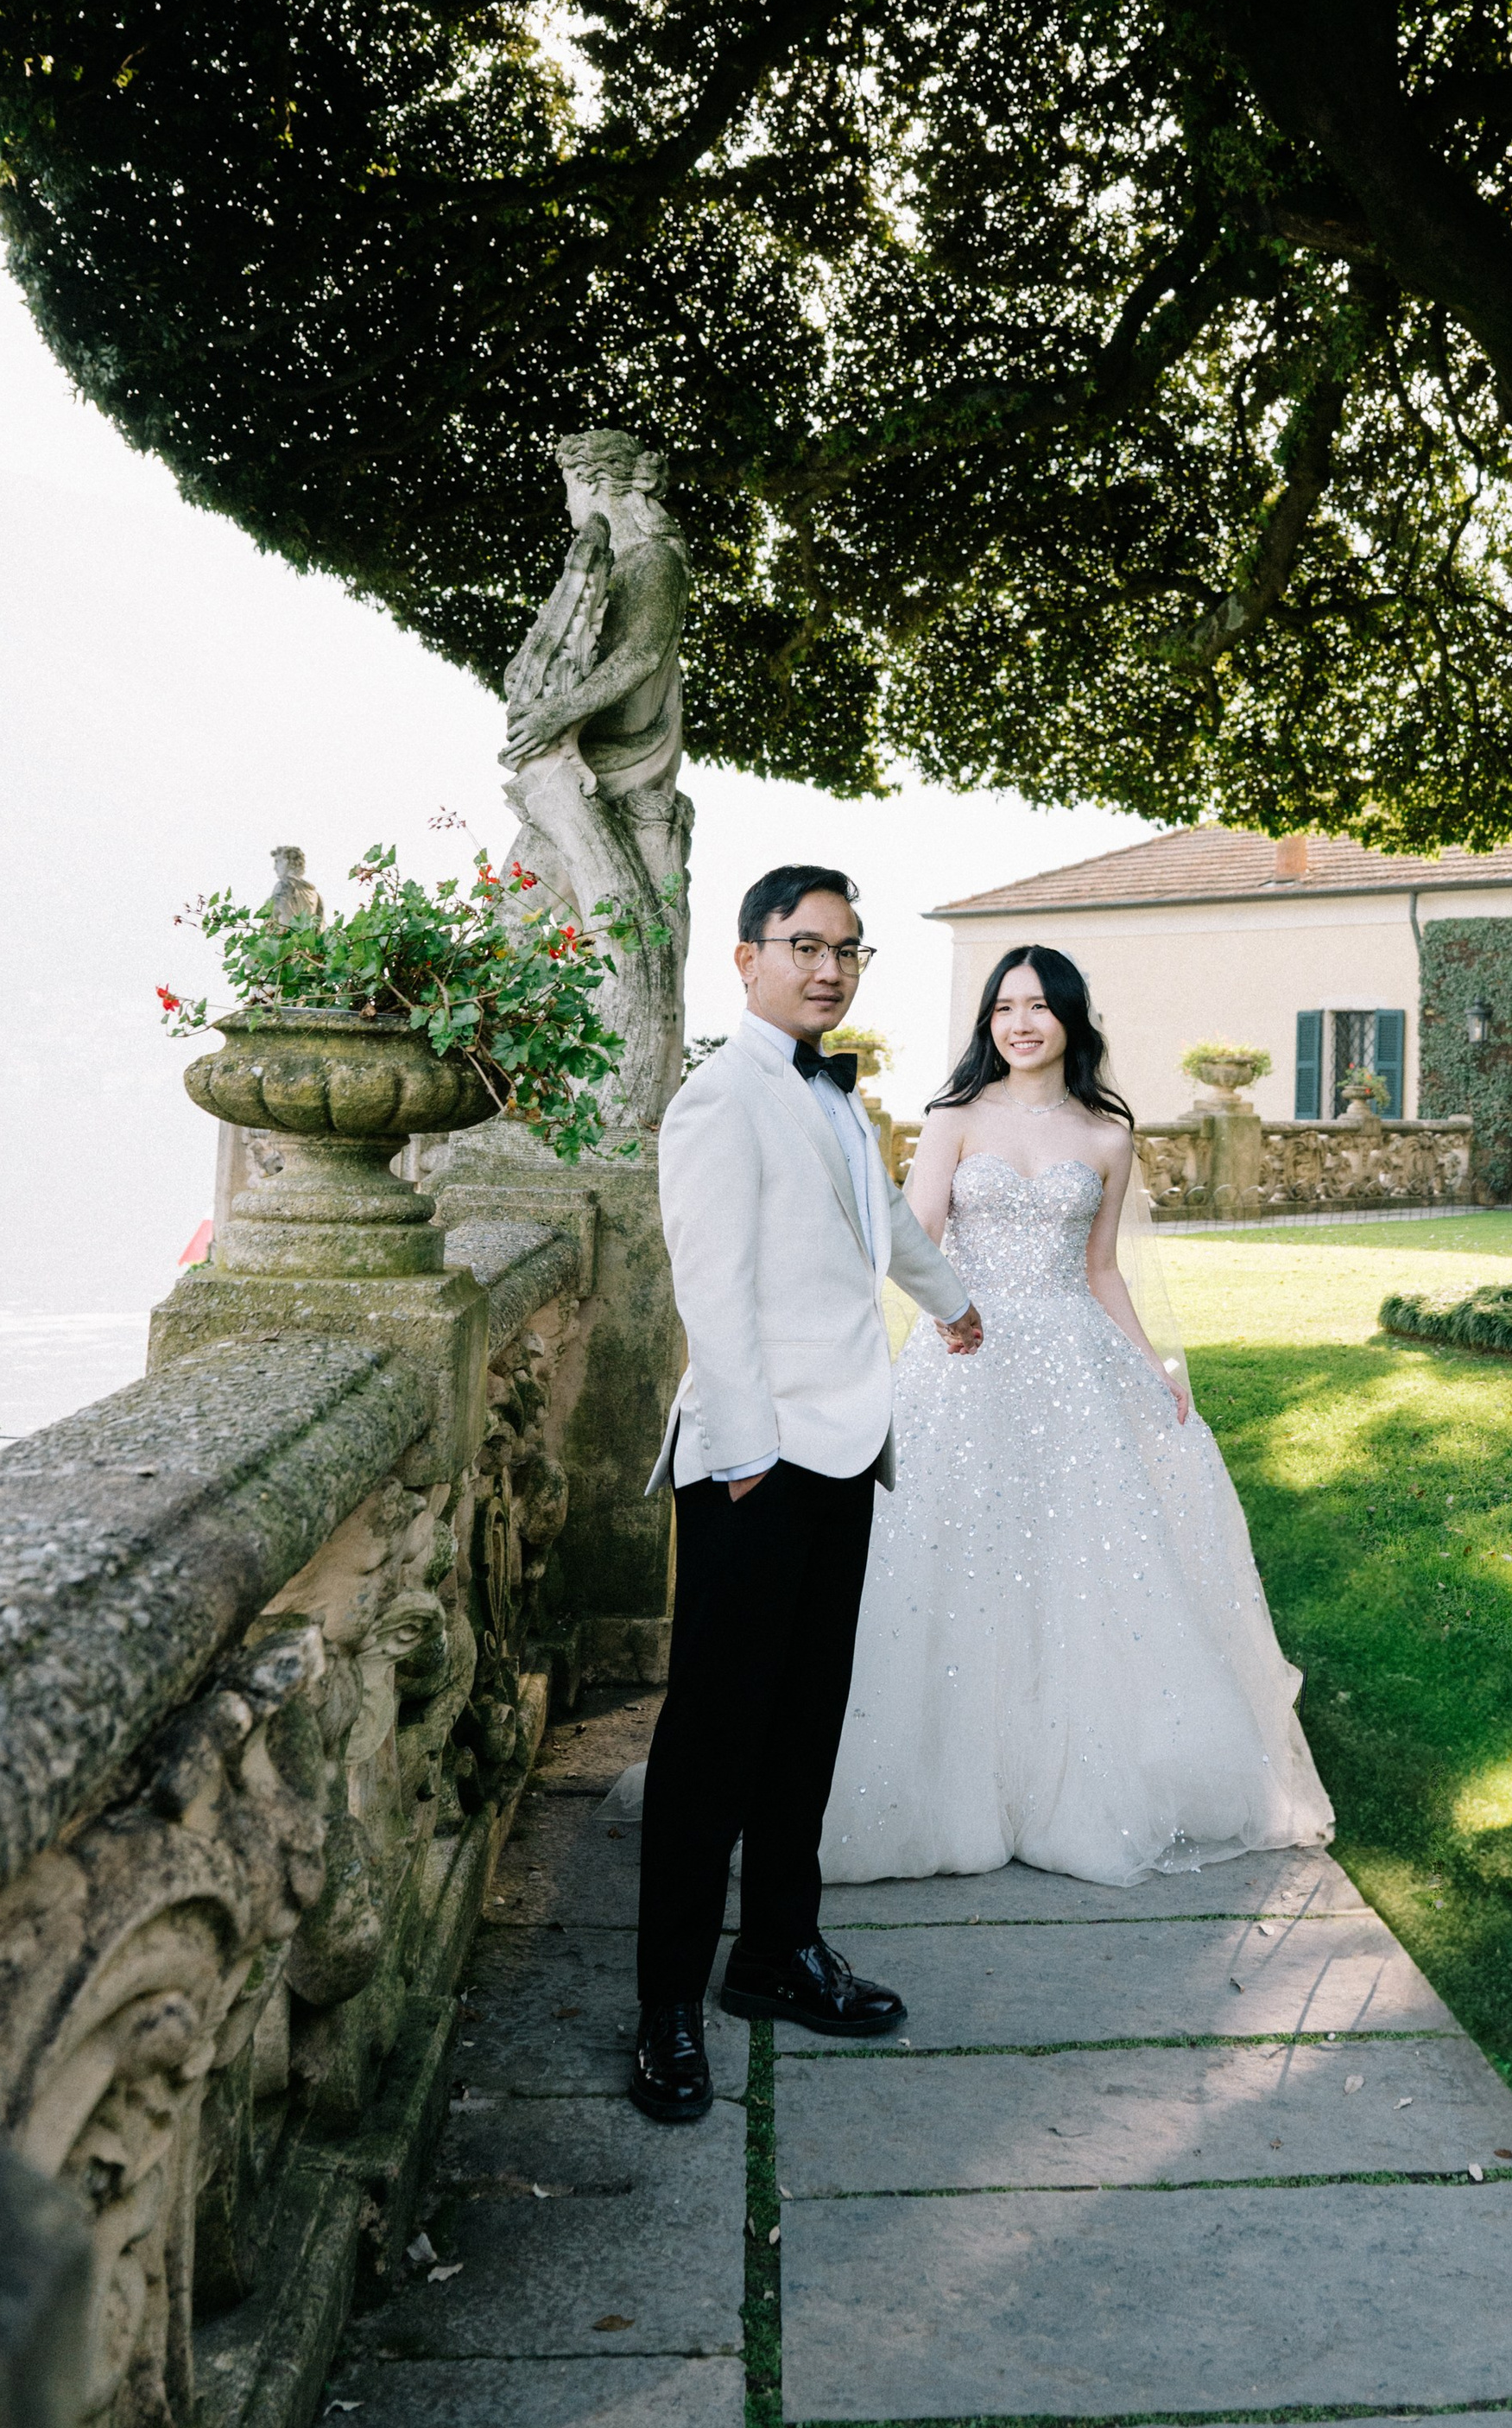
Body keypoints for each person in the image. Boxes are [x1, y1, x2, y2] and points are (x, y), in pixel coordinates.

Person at [819, 942, 1333, 1889]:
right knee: (953, 1558)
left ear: (1069, 1020)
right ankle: (954, 1780)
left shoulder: (1105, 1134)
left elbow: (1102, 1268)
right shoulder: (951, 1119)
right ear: (987, 1023)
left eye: (1039, 1005)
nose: (1020, 1022)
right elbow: (916, 1239)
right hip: (965, 1358)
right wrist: (932, 1325)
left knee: (1081, 1570)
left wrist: (1153, 1363)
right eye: (1003, 1006)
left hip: (1075, 1367)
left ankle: (1079, 1780)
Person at [627, 863, 985, 2124]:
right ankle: (666, 2003)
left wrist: (953, 1303)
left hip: (847, 1453)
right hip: (754, 1465)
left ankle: (776, 1955)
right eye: (806, 945)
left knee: (804, 1726)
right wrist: (740, 1456)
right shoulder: (719, 1101)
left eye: (848, 949)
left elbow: (880, 1216)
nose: (829, 967)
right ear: (748, 958)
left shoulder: (837, 1094)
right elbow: (709, 1291)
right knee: (710, 1745)